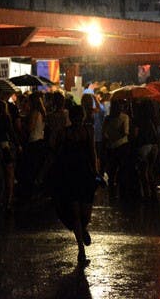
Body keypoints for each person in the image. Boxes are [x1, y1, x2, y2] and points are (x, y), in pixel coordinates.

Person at [51, 105, 98, 264]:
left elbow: (56, 153)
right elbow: (92, 152)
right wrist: (96, 172)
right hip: (83, 173)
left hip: (71, 173)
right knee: (82, 213)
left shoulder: (64, 133)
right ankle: (81, 250)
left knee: (79, 214)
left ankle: (81, 238)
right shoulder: (87, 131)